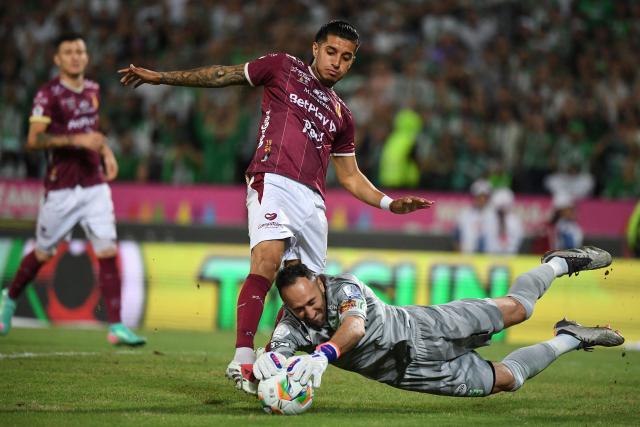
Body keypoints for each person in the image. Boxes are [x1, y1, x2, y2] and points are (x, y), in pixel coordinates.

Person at [118, 20, 432, 393]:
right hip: (275, 179)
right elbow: (222, 75)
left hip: (314, 202)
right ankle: (244, 357)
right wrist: (163, 78)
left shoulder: (342, 114)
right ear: (315, 48)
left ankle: (272, 362)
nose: (337, 62)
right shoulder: (284, 67)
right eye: (331, 52)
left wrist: (388, 203)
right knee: (267, 258)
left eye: (346, 58)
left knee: (308, 292)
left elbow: (349, 176)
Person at [254, 247, 624, 397]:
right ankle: (572, 337)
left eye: (312, 302)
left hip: (426, 327)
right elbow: (275, 352)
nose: (309, 312)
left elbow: (354, 326)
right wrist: (257, 371)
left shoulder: (343, 287)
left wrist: (324, 354)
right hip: (409, 374)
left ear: (320, 283)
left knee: (519, 309)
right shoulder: (291, 323)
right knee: (507, 380)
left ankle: (558, 263)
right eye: (298, 309)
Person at [0, 33, 145, 347]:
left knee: (107, 250)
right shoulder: (47, 94)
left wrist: (105, 152)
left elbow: (90, 130)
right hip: (62, 188)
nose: (76, 56)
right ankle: (9, 298)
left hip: (94, 185)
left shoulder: (93, 90)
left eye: (80, 50)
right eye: (68, 52)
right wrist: (74, 141)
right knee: (43, 252)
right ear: (57, 59)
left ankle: (117, 325)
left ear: (87, 56)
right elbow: (34, 139)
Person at [454, 179, 494, 253]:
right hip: (469, 259)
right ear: (474, 197)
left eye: (485, 197)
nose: (482, 199)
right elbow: (457, 239)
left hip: (490, 259)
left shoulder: (494, 215)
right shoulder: (465, 214)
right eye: (479, 196)